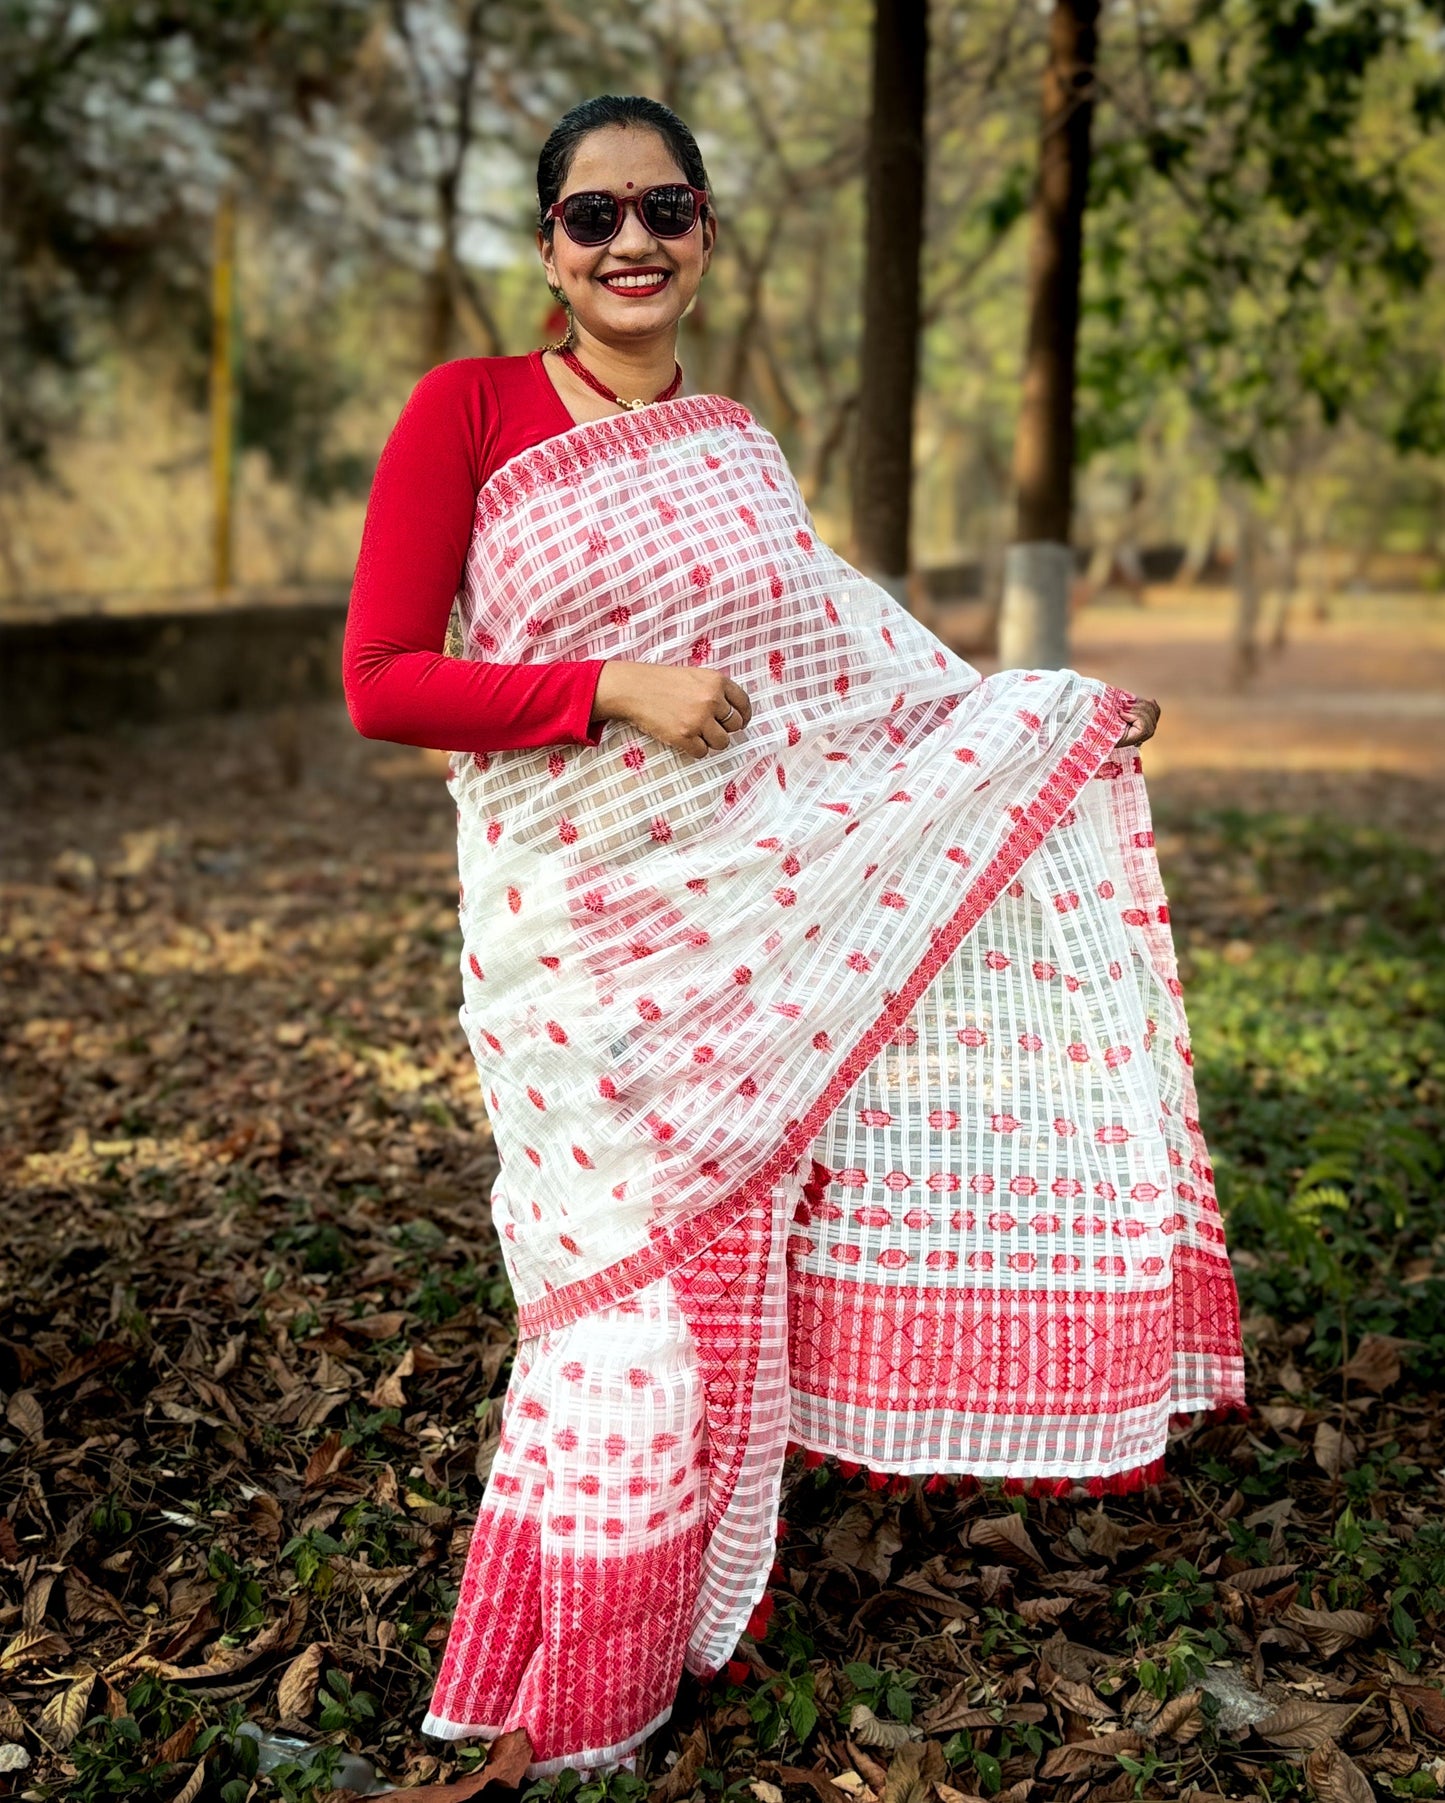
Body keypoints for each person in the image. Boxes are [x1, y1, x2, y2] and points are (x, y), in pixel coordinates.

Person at [342, 93, 1244, 1782]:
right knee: (608, 1292)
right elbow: (384, 681)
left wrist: (1036, 724)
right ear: (549, 251)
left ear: (703, 238)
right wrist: (603, 690)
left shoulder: (737, 446)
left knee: (703, 1278)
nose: (632, 243)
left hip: (744, 930)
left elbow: (863, 675)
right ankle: (564, 1674)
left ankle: (655, 1642)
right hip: (576, 943)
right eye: (594, 217)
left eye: (664, 212)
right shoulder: (464, 412)